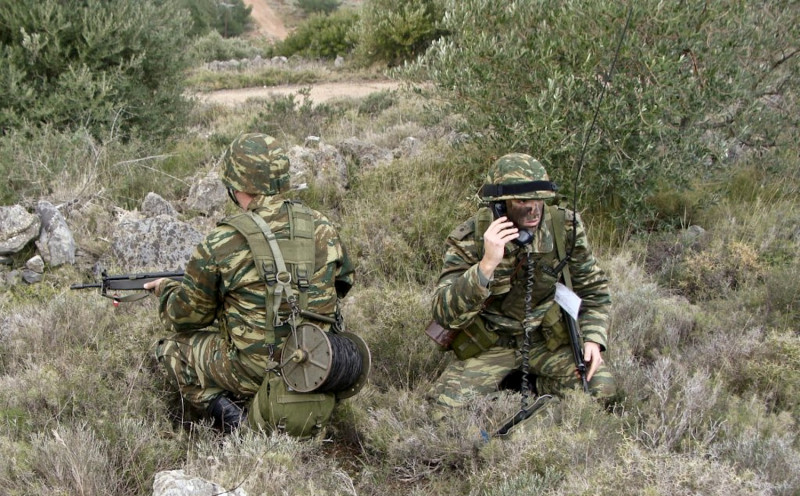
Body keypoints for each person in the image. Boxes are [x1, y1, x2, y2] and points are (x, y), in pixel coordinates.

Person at [144, 133, 355, 434]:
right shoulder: (322, 226)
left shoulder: (222, 241)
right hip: (315, 361)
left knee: (172, 351)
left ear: (235, 184)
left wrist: (166, 290)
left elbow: (186, 318)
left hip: (259, 368)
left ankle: (240, 426)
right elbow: (343, 282)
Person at [428, 153, 615, 417]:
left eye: (539, 200)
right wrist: (486, 265)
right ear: (499, 206)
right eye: (522, 201)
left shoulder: (565, 227)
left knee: (601, 389)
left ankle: (523, 385)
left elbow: (593, 289)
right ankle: (499, 381)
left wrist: (593, 339)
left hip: (544, 340)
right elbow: (443, 313)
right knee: (442, 412)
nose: (534, 209)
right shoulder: (470, 238)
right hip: (492, 343)